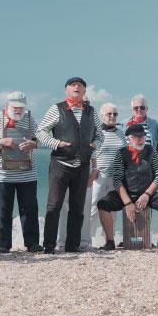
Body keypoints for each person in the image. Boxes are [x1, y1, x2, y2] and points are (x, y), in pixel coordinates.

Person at [36, 77, 103, 254]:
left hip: (82, 165)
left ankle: (73, 246)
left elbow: (100, 134)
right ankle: (49, 246)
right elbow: (40, 131)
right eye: (73, 85)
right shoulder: (56, 109)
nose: (77, 87)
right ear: (66, 90)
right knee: (54, 205)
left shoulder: (92, 111)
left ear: (84, 91)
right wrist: (56, 143)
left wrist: (96, 144)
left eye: (80, 86)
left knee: (77, 207)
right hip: (60, 164)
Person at [58, 102, 127, 250]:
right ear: (102, 116)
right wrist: (94, 169)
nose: (112, 117)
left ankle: (109, 240)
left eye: (115, 114)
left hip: (116, 178)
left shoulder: (121, 133)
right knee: (93, 208)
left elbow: (124, 154)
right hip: (99, 175)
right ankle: (86, 240)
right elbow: (91, 152)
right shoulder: (95, 132)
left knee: (112, 210)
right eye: (109, 114)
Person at [97, 123, 158, 251]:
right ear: (129, 138)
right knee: (102, 203)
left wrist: (147, 194)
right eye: (136, 137)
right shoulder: (121, 153)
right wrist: (127, 202)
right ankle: (110, 241)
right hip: (126, 194)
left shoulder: (150, 151)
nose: (139, 139)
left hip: (147, 193)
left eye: (142, 136)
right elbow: (117, 180)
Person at [0, 91, 42, 253]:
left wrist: (33, 144)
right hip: (3, 174)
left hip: (27, 173)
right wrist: (3, 141)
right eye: (15, 107)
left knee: (30, 210)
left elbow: (40, 139)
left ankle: (32, 243)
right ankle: (4, 245)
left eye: (21, 107)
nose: (19, 110)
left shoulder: (30, 118)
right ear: (7, 105)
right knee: (3, 210)